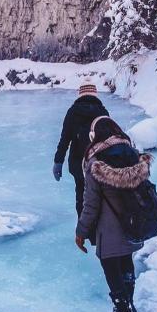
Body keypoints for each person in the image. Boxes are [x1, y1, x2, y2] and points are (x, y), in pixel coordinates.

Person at [75, 116, 157, 312]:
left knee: (110, 266)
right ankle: (129, 304)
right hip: (133, 222)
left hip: (108, 227)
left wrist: (81, 232)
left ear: (94, 135)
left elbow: (90, 204)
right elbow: (149, 191)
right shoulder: (133, 155)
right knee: (126, 262)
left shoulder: (94, 163)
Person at [53, 79, 109, 218]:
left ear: (80, 95)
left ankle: (83, 231)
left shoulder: (72, 112)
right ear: (95, 94)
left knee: (82, 196)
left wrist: (58, 162)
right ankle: (99, 232)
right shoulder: (103, 112)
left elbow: (64, 140)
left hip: (79, 165)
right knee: (100, 197)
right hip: (100, 165)